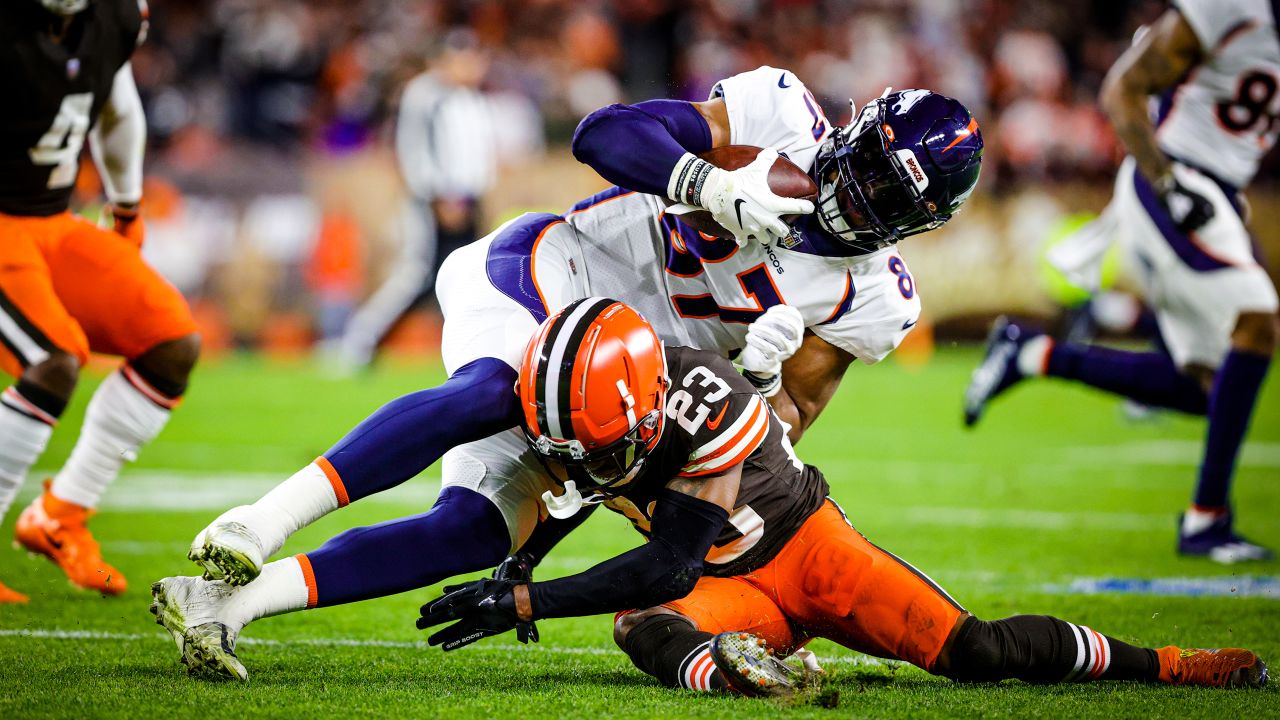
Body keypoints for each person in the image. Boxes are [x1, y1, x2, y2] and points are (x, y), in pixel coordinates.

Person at [149, 71, 981, 680]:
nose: (859, 195)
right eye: (867, 163)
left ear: (923, 223)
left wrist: (761, 377)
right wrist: (710, 182)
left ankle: (223, 604)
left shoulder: (871, 298)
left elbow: (775, 433)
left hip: (624, 383)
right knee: (495, 388)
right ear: (854, 127)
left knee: (471, 533)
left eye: (888, 196)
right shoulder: (777, 114)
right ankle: (257, 524)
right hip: (557, 270)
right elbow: (603, 133)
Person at [414, 299, 1268, 696]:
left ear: (644, 401)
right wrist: (520, 558)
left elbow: (668, 560)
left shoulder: (708, 395)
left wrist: (527, 595)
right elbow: (570, 482)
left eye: (602, 443)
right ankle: (748, 675)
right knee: (642, 630)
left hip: (803, 547)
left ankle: (1171, 666)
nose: (586, 460)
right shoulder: (577, 405)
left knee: (976, 653)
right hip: (724, 583)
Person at [963, 0, 1279, 563]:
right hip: (1176, 176)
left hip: (1220, 190)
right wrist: (1168, 183)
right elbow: (1122, 89)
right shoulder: (1231, 7)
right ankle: (1207, 520)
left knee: (1205, 387)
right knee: (1258, 317)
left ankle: (1034, 354)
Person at [0, 0, 200, 603]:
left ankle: (60, 515)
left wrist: (127, 205)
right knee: (55, 360)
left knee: (169, 341)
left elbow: (115, 101)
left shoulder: (111, 17)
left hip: (50, 222)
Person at [331, 29, 498, 371]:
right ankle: (360, 342)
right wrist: (440, 195)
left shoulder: (472, 99)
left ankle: (472, 352)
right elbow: (415, 149)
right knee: (417, 275)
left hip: (467, 200)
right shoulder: (426, 94)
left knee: (471, 277)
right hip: (435, 201)